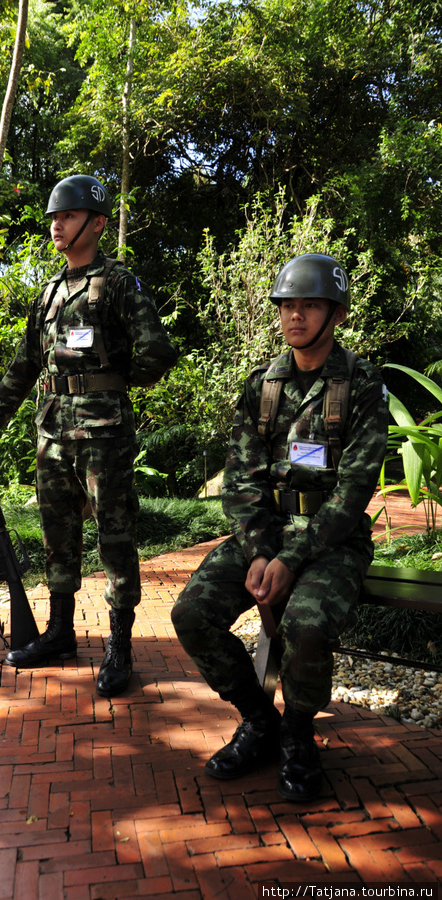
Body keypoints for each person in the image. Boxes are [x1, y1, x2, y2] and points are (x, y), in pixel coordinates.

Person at [171, 252, 388, 801]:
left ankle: (297, 733)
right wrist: (264, 549)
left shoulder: (361, 385)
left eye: (309, 305)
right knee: (192, 612)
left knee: (305, 627)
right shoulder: (262, 385)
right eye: (287, 305)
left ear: (335, 313)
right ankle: (258, 720)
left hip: (332, 540)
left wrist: (293, 559)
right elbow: (239, 479)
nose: (295, 316)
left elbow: (354, 490)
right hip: (264, 532)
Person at [0, 174, 178, 697]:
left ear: (96, 223)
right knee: (58, 536)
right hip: (52, 433)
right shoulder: (51, 291)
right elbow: (24, 364)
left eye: (67, 216)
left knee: (115, 536)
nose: (57, 226)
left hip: (104, 436)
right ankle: (61, 633)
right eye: (54, 218)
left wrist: (113, 380)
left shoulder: (118, 284)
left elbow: (158, 352)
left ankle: (119, 645)